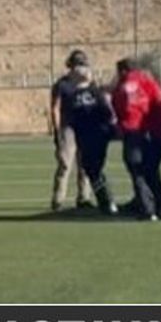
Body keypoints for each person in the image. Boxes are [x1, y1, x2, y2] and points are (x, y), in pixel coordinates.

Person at [111, 57, 161, 221]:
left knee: (138, 171)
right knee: (151, 170)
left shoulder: (122, 86)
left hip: (133, 133)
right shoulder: (148, 81)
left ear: (123, 71)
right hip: (156, 133)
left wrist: (121, 127)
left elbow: (120, 108)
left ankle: (147, 208)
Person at [63, 59, 119, 214]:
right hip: (98, 135)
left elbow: (70, 119)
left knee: (92, 169)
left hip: (87, 137)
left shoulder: (72, 96)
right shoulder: (95, 93)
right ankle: (106, 202)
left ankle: (107, 202)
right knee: (94, 169)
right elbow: (107, 113)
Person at [50, 50, 95, 211]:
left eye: (82, 64)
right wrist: (57, 130)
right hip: (67, 128)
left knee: (85, 165)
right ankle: (58, 199)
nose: (80, 68)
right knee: (65, 164)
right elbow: (55, 108)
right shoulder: (62, 84)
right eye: (78, 64)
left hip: (85, 128)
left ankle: (84, 198)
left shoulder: (89, 83)